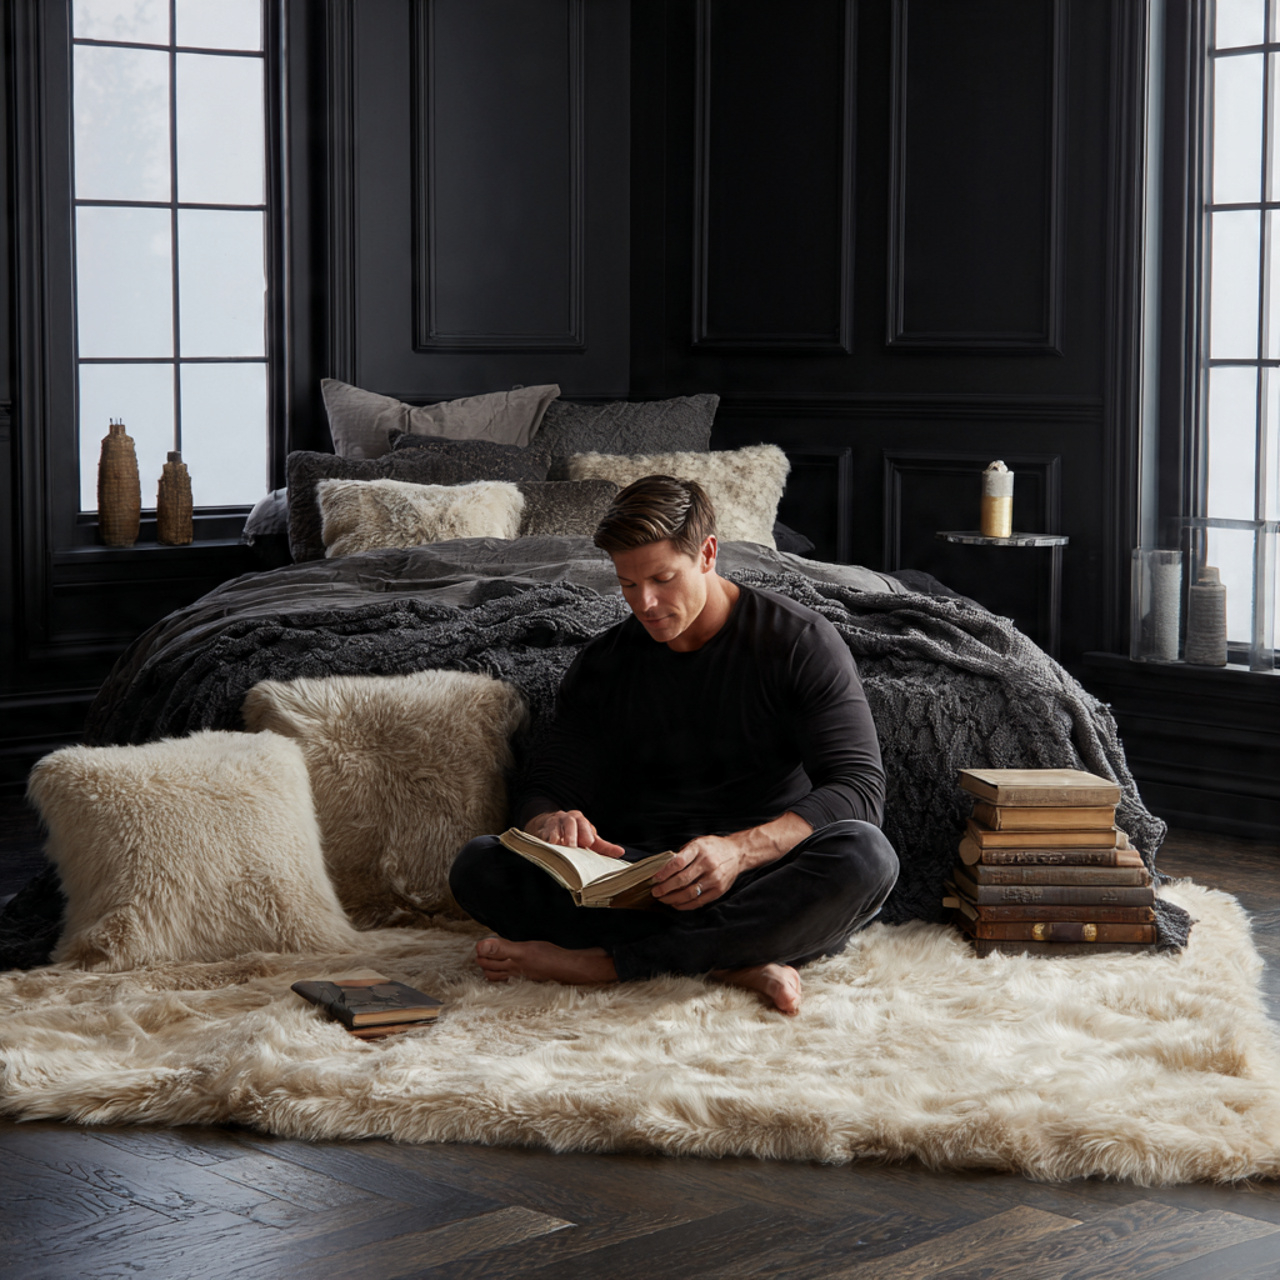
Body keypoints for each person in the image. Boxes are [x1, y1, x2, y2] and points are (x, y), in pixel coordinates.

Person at [448, 475, 898, 1014]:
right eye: (628, 585)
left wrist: (736, 851)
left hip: (757, 879)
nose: (646, 603)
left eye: (663, 578)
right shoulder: (604, 663)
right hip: (636, 884)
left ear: (707, 554)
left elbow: (858, 790)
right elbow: (545, 785)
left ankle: (607, 965)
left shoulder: (797, 641)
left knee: (867, 856)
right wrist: (551, 821)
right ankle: (737, 958)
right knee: (479, 865)